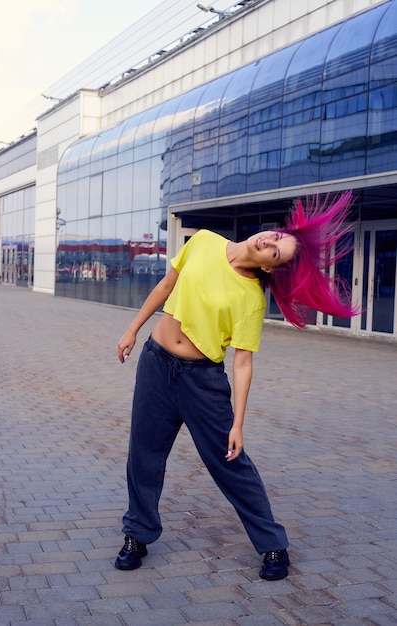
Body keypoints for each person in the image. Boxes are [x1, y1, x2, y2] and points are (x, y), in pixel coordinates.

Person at [115, 191, 359, 580]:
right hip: (155, 364)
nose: (269, 242)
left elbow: (243, 363)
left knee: (229, 464)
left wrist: (238, 425)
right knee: (142, 454)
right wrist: (132, 329)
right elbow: (165, 286)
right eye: (277, 236)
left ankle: (273, 544)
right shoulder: (204, 241)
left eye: (276, 252)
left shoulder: (251, 299)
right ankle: (137, 534)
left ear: (271, 269)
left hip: (201, 381)